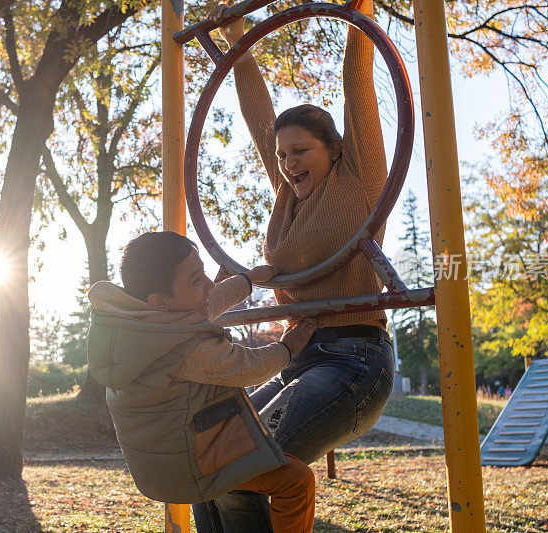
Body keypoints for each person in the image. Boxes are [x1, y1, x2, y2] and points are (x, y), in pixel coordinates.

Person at [193, 0, 394, 530]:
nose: (287, 164)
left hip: (354, 360)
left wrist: (359, 16)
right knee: (209, 461)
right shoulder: (288, 196)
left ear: (334, 150)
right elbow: (260, 118)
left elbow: (358, 84)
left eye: (299, 151)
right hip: (300, 358)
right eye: (282, 155)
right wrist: (237, 41)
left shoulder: (360, 182)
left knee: (248, 469)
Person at [87, 231, 318, 532]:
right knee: (296, 481)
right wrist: (287, 348)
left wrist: (248, 280)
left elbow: (209, 301)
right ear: (160, 301)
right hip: (188, 468)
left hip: (162, 466)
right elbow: (247, 368)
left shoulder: (139, 325)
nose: (209, 284)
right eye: (196, 279)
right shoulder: (185, 349)